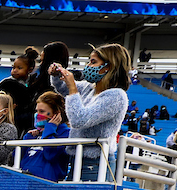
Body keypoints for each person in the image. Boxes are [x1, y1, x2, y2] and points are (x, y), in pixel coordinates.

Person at [50, 43, 131, 182]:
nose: (88, 66)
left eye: (93, 62)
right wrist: (57, 75)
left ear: (108, 66)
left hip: (96, 163)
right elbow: (64, 88)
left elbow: (79, 120)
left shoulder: (116, 96)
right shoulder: (89, 88)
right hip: (77, 158)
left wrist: (73, 88)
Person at [20, 91, 71, 181]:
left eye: (42, 111)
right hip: (24, 179)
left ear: (56, 114)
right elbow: (16, 157)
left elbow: (50, 154)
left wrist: (50, 128)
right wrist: (27, 138)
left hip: (45, 184)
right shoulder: (34, 134)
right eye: (36, 111)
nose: (37, 115)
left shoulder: (66, 133)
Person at [0, 46, 39, 133]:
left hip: (27, 122)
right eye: (13, 67)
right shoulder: (6, 83)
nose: (14, 70)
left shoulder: (35, 84)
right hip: (9, 120)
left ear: (30, 70)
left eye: (19, 68)